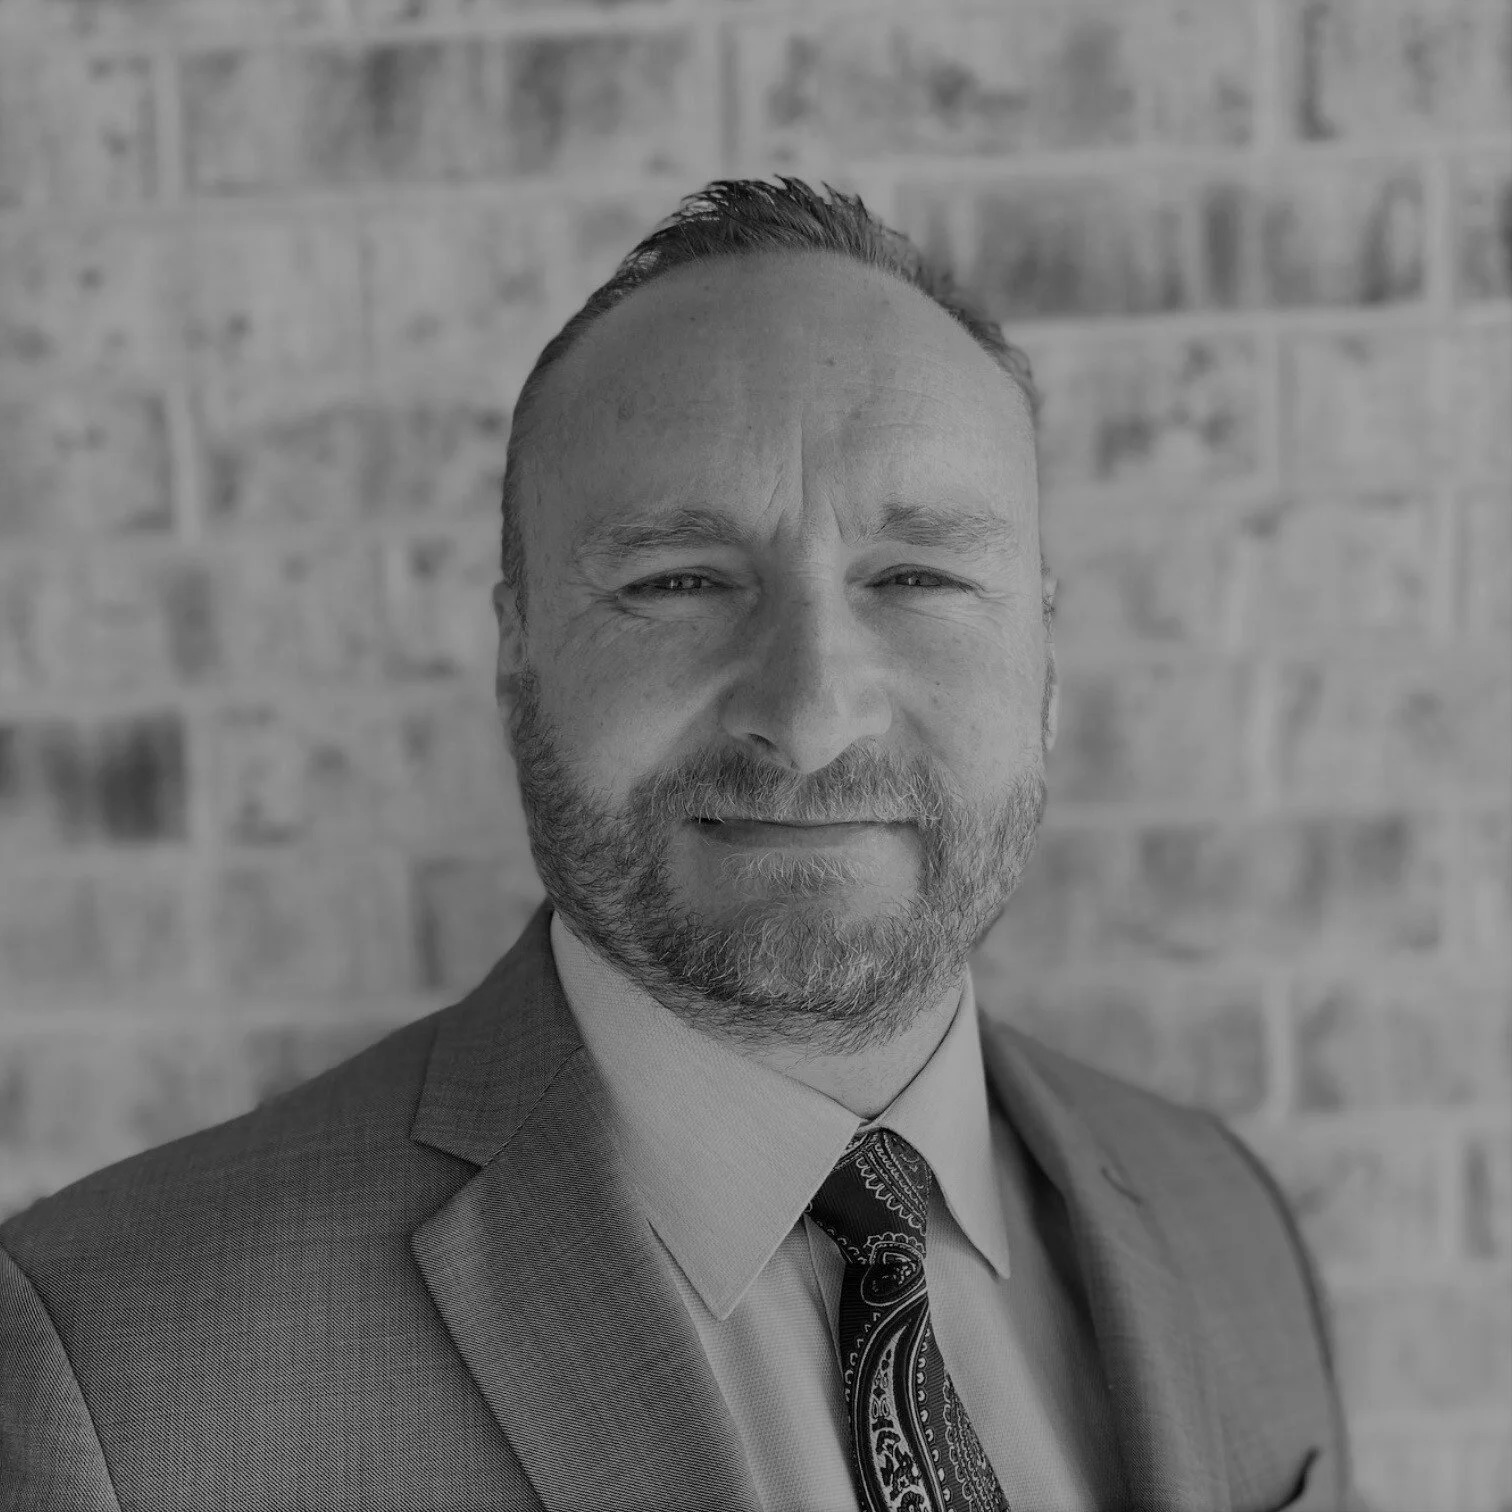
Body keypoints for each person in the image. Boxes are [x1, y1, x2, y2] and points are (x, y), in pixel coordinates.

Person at [0, 177, 1358, 1512]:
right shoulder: (110, 1369)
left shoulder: (1226, 1223)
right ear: (518, 653)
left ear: (1046, 655)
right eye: (680, 582)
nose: (812, 718)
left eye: (918, 578)